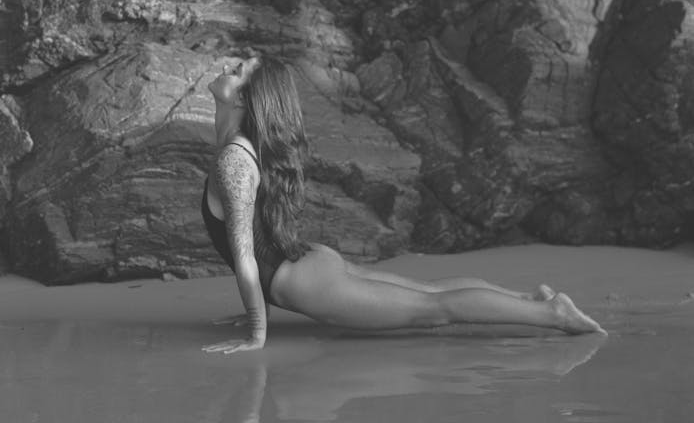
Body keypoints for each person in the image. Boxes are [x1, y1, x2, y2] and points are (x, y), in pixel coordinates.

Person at [201, 56, 606, 354]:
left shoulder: (234, 159)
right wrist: (260, 311)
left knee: (434, 308)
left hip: (307, 283)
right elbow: (255, 241)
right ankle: (529, 299)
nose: (227, 66)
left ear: (243, 101)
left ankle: (551, 315)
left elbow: (244, 252)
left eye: (237, 71)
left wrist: (256, 330)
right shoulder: (241, 151)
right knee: (430, 293)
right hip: (307, 265)